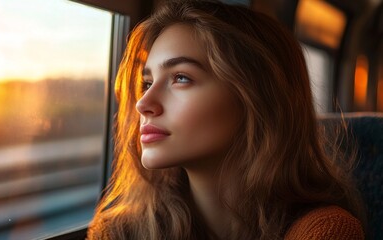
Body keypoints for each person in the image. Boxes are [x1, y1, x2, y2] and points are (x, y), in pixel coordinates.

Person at [87, 0, 366, 239]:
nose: (143, 103)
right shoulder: (117, 231)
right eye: (147, 82)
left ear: (256, 99)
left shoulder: (324, 231)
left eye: (180, 78)